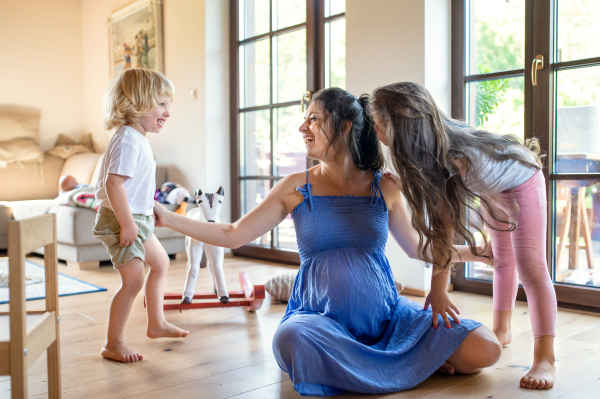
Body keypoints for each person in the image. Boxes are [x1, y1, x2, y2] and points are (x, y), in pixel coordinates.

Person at [153, 87, 502, 396]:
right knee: (290, 339)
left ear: (345, 125)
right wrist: (168, 218)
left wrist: (476, 253)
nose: (303, 127)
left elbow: (418, 249)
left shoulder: (386, 185)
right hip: (320, 321)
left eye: (313, 119)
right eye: (304, 120)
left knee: (486, 348)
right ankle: (407, 368)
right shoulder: (293, 187)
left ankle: (370, 369)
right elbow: (233, 234)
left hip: (390, 323)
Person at [369, 81, 557, 390]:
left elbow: (443, 226)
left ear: (401, 128)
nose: (376, 133)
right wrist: (405, 182)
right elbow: (435, 192)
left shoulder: (451, 156)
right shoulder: (427, 151)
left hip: (523, 180)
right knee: (503, 261)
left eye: (379, 127)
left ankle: (545, 357)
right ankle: (501, 329)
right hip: (492, 187)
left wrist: (438, 288)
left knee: (530, 267)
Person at [93, 68, 189, 364]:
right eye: (161, 104)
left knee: (160, 264)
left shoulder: (138, 137)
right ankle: (113, 343)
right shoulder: (128, 140)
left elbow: (136, 185)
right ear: (137, 102)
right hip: (121, 220)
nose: (167, 112)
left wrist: (150, 209)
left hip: (138, 218)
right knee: (133, 281)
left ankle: (156, 323)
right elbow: (114, 184)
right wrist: (128, 223)